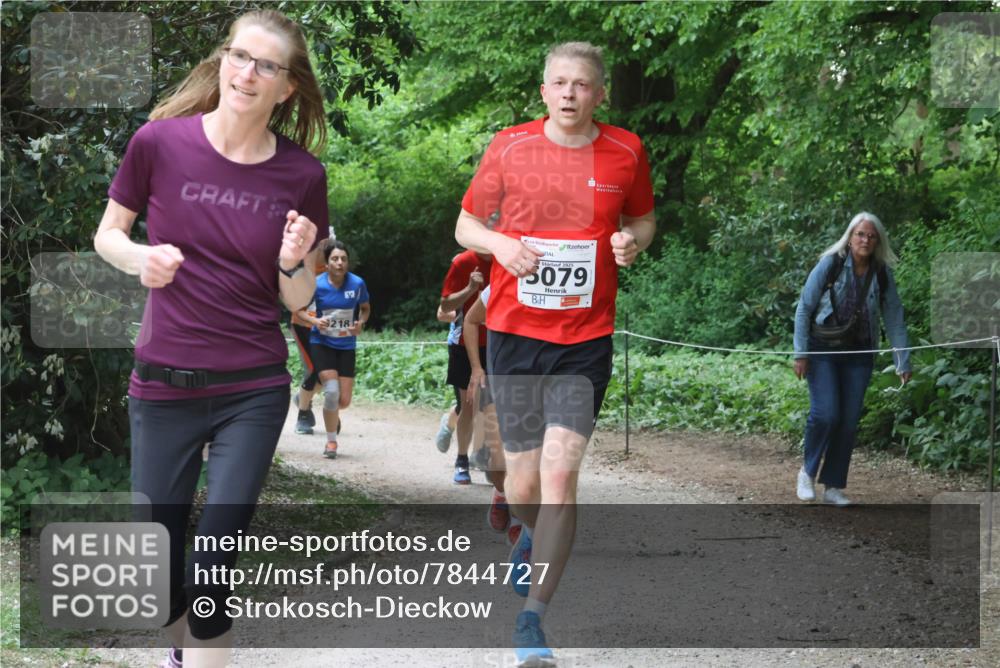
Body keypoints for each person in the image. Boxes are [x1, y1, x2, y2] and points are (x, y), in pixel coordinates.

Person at [93, 10, 328, 668]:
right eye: (239, 56)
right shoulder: (159, 144)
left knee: (213, 564)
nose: (247, 72)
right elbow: (107, 234)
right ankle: (179, 654)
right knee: (160, 570)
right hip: (163, 384)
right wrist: (139, 259)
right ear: (223, 61)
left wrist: (292, 261)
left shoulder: (302, 174)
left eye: (266, 65)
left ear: (286, 87)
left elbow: (301, 300)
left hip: (250, 387)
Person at [455, 42, 656, 667]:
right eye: (558, 82)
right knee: (523, 482)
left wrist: (630, 242)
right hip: (516, 334)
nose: (569, 93)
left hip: (585, 341)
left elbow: (645, 221)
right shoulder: (510, 147)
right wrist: (500, 245)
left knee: (563, 477)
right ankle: (525, 532)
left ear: (600, 95)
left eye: (582, 84)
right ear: (543, 91)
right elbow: (466, 225)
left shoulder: (626, 151)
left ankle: (532, 621)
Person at [793, 212, 911, 506]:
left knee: (847, 422)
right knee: (826, 413)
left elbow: (894, 317)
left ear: (878, 241)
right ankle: (807, 472)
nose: (866, 240)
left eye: (871, 236)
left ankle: (833, 486)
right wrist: (801, 353)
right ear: (850, 236)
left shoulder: (882, 273)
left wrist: (902, 360)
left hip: (860, 354)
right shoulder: (830, 264)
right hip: (822, 350)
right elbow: (804, 308)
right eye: (860, 234)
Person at [297, 240, 370, 459]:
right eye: (335, 259)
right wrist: (316, 321)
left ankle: (328, 408)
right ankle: (331, 442)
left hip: (346, 345)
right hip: (322, 343)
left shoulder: (357, 284)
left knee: (343, 401)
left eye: (343, 259)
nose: (339, 263)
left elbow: (365, 309)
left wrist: (361, 322)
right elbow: (299, 311)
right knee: (331, 392)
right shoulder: (316, 285)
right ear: (327, 263)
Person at [463, 284, 518, 539]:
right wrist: (476, 368)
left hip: (542, 379)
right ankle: (502, 493)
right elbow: (471, 320)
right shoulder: (502, 283)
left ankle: (523, 524)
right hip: (502, 378)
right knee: (497, 459)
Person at [439, 249, 492, 484]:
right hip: (464, 341)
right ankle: (462, 460)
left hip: (499, 342)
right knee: (469, 405)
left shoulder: (511, 259)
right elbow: (444, 305)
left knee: (490, 406)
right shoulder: (463, 262)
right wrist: (470, 289)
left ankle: (483, 453)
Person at [291, 240, 334, 434]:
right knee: (314, 369)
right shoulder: (303, 265)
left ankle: (303, 397)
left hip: (326, 327)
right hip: (303, 325)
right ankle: (303, 414)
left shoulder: (336, 268)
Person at [434, 303, 460, 453]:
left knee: (485, 401)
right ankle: (448, 426)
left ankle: (480, 451)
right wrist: (471, 316)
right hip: (459, 346)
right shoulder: (461, 283)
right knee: (466, 402)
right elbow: (441, 314)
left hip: (490, 346)